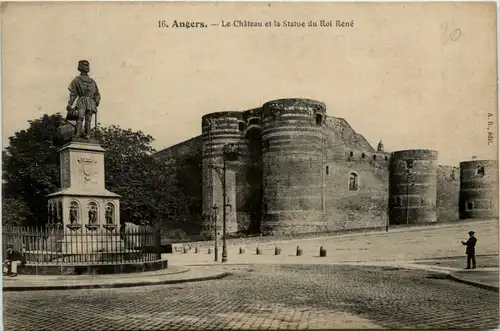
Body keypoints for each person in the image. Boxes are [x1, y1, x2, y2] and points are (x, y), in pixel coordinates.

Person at [66, 60, 101, 139]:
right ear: (80, 67)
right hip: (81, 101)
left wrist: (97, 100)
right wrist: (69, 104)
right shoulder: (76, 80)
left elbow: (97, 93)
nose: (87, 67)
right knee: (80, 117)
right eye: (85, 65)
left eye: (88, 65)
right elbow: (73, 93)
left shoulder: (92, 82)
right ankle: (77, 134)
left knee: (88, 119)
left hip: (90, 102)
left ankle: (87, 134)